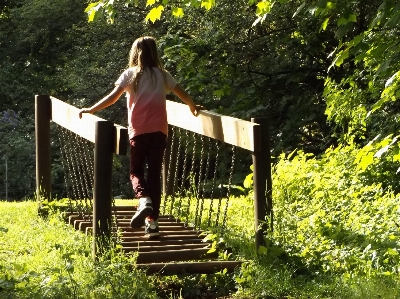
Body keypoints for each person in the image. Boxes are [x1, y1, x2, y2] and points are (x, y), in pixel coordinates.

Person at [79, 36, 204, 238]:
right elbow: (183, 94)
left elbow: (112, 98)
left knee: (136, 172)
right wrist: (193, 106)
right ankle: (152, 224)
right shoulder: (163, 75)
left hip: (138, 131)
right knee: (154, 175)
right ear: (155, 53)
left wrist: (91, 109)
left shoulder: (130, 75)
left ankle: (143, 199)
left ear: (135, 53)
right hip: (159, 132)